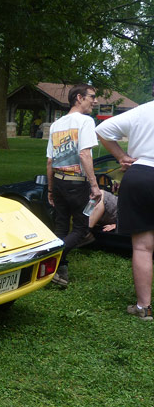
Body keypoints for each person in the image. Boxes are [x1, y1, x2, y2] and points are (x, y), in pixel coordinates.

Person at [96, 84, 154, 320]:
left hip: (140, 175)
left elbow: (101, 129)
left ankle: (144, 307)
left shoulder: (141, 111)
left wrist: (121, 156)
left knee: (142, 247)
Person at [46, 84, 102, 288]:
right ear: (79, 98)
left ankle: (60, 273)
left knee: (61, 227)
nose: (95, 102)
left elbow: (50, 161)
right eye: (92, 97)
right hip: (77, 184)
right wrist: (95, 186)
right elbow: (84, 154)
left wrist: (51, 189)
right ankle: (50, 259)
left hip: (59, 183)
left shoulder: (56, 125)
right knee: (81, 228)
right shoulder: (85, 121)